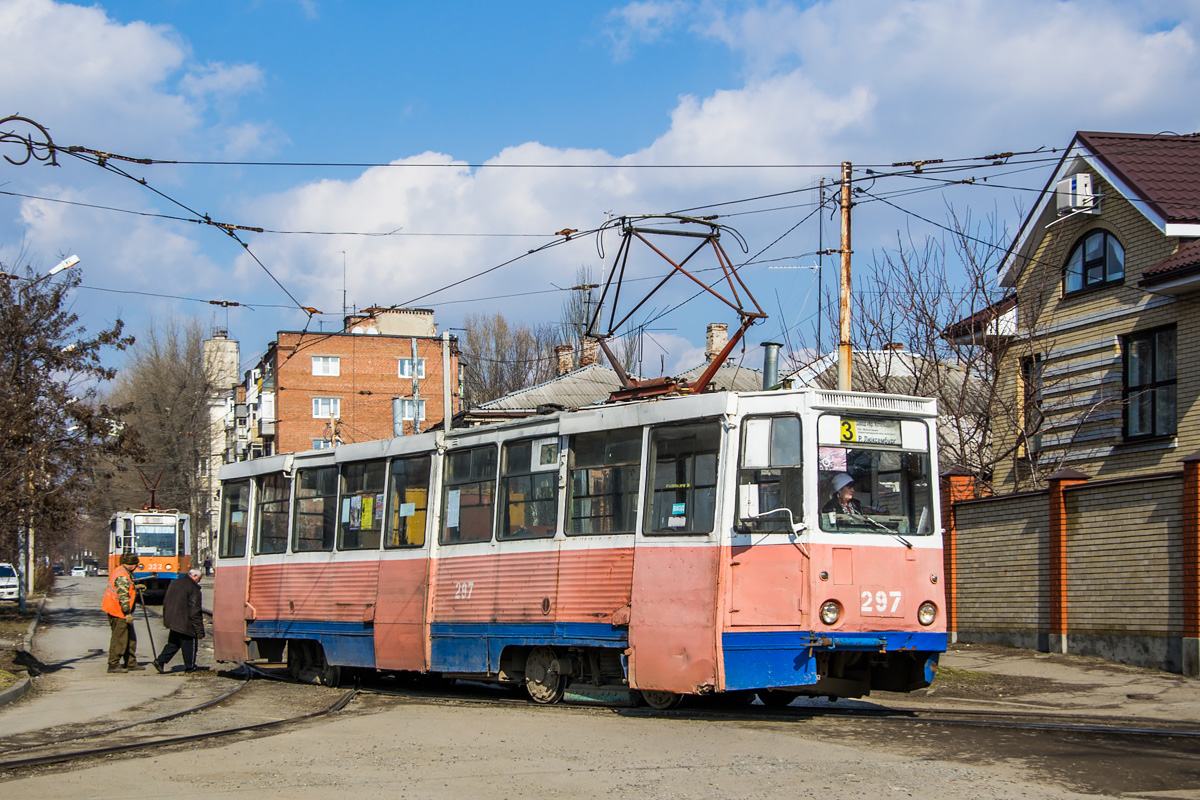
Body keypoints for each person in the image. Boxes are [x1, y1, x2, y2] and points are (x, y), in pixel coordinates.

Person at [153, 568, 206, 673]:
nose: (199, 581)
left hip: (173, 619)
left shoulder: (175, 583)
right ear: (195, 576)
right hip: (185, 622)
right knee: (189, 644)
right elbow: (195, 611)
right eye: (199, 579)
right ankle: (190, 667)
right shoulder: (193, 588)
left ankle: (160, 660)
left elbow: (166, 602)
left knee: (174, 643)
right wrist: (199, 630)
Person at [103, 553, 144, 673]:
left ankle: (131, 662)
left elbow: (124, 589)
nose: (137, 567)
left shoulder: (121, 571)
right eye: (136, 564)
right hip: (118, 611)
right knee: (120, 639)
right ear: (132, 565)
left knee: (130, 638)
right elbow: (123, 596)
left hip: (117, 610)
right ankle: (113, 664)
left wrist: (135, 588)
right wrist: (127, 613)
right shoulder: (122, 575)